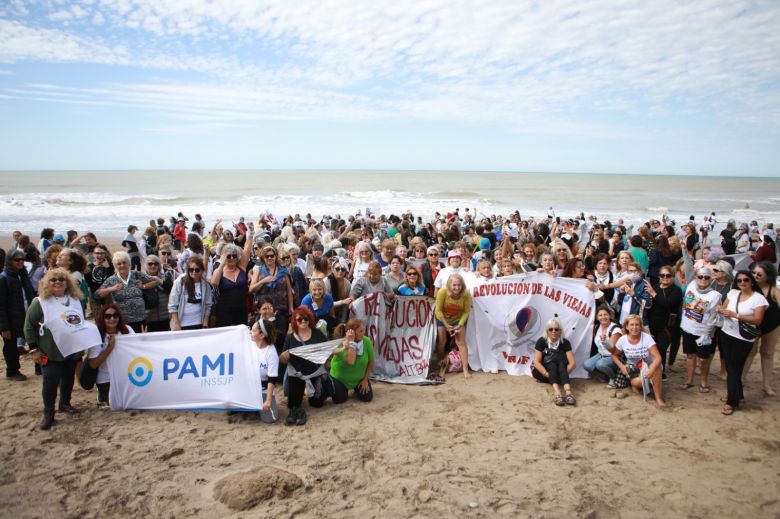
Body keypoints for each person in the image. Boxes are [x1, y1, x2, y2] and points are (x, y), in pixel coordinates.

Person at [24, 268, 100, 429]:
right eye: (53, 280)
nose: (57, 282)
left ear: (67, 283)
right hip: (50, 351)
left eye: (61, 279)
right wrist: (33, 349)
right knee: (50, 381)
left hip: (72, 350)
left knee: (68, 379)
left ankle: (65, 403)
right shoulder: (40, 302)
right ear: (46, 283)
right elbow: (29, 326)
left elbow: (78, 322)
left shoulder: (74, 300)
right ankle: (48, 412)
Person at [717, 271, 768, 415]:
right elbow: (724, 307)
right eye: (739, 280)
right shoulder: (733, 293)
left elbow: (758, 320)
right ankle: (737, 395)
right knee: (731, 366)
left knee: (734, 367)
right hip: (727, 333)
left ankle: (731, 401)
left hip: (743, 338)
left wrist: (736, 315)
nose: (742, 283)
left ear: (752, 281)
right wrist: (720, 310)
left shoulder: (759, 299)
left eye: (746, 280)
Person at [279, 306, 329, 426]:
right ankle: (297, 411)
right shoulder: (290, 338)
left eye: (306, 319)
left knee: (317, 404)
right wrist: (283, 357)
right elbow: (282, 360)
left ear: (310, 319)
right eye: (299, 319)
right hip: (297, 375)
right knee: (292, 405)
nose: (303, 321)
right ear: (294, 321)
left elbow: (327, 349)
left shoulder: (317, 333)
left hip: (314, 373)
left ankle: (317, 388)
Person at [678, 267, 722, 393]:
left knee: (703, 359)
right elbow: (688, 266)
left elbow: (713, 317)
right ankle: (689, 380)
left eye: (706, 277)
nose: (703, 279)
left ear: (711, 279)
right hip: (687, 328)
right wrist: (684, 249)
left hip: (703, 332)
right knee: (690, 355)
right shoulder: (691, 285)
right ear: (696, 277)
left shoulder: (715, 296)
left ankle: (704, 381)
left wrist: (707, 334)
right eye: (700, 276)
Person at [95, 251, 161, 332]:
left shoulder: (137, 274)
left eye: (124, 263)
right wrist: (112, 289)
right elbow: (97, 294)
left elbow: (156, 280)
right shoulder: (111, 280)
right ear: (115, 266)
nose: (122, 265)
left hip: (141, 319)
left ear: (129, 263)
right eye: (119, 264)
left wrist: (143, 286)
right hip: (123, 321)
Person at [611, 314, 666, 407]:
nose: (634, 327)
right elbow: (614, 355)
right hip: (634, 369)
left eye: (637, 325)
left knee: (656, 369)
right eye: (631, 325)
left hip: (649, 365)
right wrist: (621, 366)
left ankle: (658, 398)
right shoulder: (622, 340)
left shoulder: (647, 338)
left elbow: (658, 357)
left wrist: (651, 369)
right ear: (627, 327)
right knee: (639, 383)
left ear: (640, 326)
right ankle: (637, 384)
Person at [742, 262, 779, 396]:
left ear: (768, 276)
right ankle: (741, 379)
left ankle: (766, 384)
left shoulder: (773, 290)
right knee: (749, 352)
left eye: (759, 274)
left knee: (768, 353)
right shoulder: (748, 286)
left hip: (772, 326)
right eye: (753, 273)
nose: (755, 276)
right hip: (752, 324)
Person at [88, 303, 133, 407]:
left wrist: (143, 339)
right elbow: (93, 364)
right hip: (106, 378)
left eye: (115, 315)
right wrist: (109, 348)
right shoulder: (97, 335)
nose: (112, 319)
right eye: (107, 316)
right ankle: (101, 395)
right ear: (102, 318)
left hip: (126, 376)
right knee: (115, 405)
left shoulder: (127, 330)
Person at [250, 245, 293, 352]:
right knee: (266, 338)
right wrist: (264, 280)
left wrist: (291, 307)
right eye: (267, 256)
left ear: (275, 256)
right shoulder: (259, 271)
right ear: (263, 258)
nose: (269, 258)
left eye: (272, 255)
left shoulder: (283, 271)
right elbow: (251, 289)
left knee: (280, 339)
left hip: (281, 310)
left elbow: (289, 290)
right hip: (265, 311)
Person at [0, 250, 35, 380]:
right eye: (17, 260)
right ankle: (12, 371)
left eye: (22, 259)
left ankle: (39, 367)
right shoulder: (4, 278)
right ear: (9, 261)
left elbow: (30, 294)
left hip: (27, 314)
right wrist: (4, 327)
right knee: (10, 346)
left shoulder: (23, 275)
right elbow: (1, 305)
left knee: (34, 341)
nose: (20, 262)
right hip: (11, 319)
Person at [645, 265, 683, 376]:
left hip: (667, 326)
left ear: (673, 276)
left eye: (668, 275)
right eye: (662, 275)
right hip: (652, 323)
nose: (665, 277)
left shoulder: (676, 290)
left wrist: (653, 294)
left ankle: (661, 373)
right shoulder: (656, 287)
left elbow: (668, 304)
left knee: (661, 348)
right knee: (651, 348)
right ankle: (652, 371)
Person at [434, 273, 472, 379]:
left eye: (459, 285)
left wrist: (460, 324)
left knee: (461, 342)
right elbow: (438, 310)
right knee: (442, 341)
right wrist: (446, 325)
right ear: (449, 285)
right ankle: (441, 362)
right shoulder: (442, 292)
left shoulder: (466, 294)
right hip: (442, 318)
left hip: (458, 319)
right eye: (454, 285)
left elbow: (466, 311)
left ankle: (465, 369)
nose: (457, 287)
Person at [532, 317, 577, 406]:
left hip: (561, 372)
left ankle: (568, 393)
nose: (554, 331)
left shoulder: (565, 342)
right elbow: (536, 362)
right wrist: (547, 374)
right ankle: (558, 393)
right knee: (552, 364)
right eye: (551, 329)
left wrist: (562, 374)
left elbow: (572, 363)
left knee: (560, 363)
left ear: (560, 331)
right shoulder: (541, 341)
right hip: (545, 373)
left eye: (556, 329)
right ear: (547, 331)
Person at [329, 319, 375, 403]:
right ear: (352, 332)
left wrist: (365, 379)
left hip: (359, 379)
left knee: (367, 398)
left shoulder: (366, 341)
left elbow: (371, 362)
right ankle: (338, 387)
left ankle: (355, 388)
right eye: (360, 331)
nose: (363, 333)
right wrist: (351, 342)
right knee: (340, 400)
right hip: (340, 379)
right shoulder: (342, 343)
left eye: (363, 330)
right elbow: (350, 361)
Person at [211, 240, 252, 327]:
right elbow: (214, 283)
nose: (232, 258)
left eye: (234, 256)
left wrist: (251, 233)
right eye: (229, 256)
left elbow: (247, 249)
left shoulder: (241, 268)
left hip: (241, 311)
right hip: (224, 312)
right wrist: (222, 262)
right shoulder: (219, 270)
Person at [169, 255, 213, 331]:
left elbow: (208, 306)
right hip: (181, 325)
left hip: (198, 324)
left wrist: (205, 324)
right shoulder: (180, 282)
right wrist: (177, 324)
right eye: (191, 269)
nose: (194, 272)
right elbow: (172, 306)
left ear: (202, 270)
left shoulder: (205, 285)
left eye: (197, 270)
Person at [249, 316, 279, 423]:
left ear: (261, 335)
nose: (250, 332)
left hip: (263, 387)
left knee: (270, 419)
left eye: (253, 330)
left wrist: (268, 400)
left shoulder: (271, 352)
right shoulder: (249, 344)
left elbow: (272, 379)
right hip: (248, 386)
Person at [584, 306, 621, 386]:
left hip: (613, 356)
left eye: (605, 315)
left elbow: (613, 349)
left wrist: (605, 341)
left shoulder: (615, 329)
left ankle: (613, 378)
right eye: (600, 315)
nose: (603, 317)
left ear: (610, 316)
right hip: (601, 354)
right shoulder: (597, 327)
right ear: (597, 317)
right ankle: (605, 375)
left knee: (600, 364)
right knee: (587, 365)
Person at [142, 254, 174, 332]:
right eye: (150, 264)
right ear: (146, 266)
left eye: (156, 264)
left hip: (165, 318)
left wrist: (159, 280)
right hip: (149, 319)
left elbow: (171, 289)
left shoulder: (165, 277)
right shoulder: (141, 279)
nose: (153, 266)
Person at [85, 244, 114, 318]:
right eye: (97, 253)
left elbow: (112, 280)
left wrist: (108, 267)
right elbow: (88, 283)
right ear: (93, 254)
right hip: (94, 294)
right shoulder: (89, 267)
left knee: (109, 315)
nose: (100, 255)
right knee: (97, 317)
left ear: (105, 254)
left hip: (107, 293)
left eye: (102, 253)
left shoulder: (109, 265)